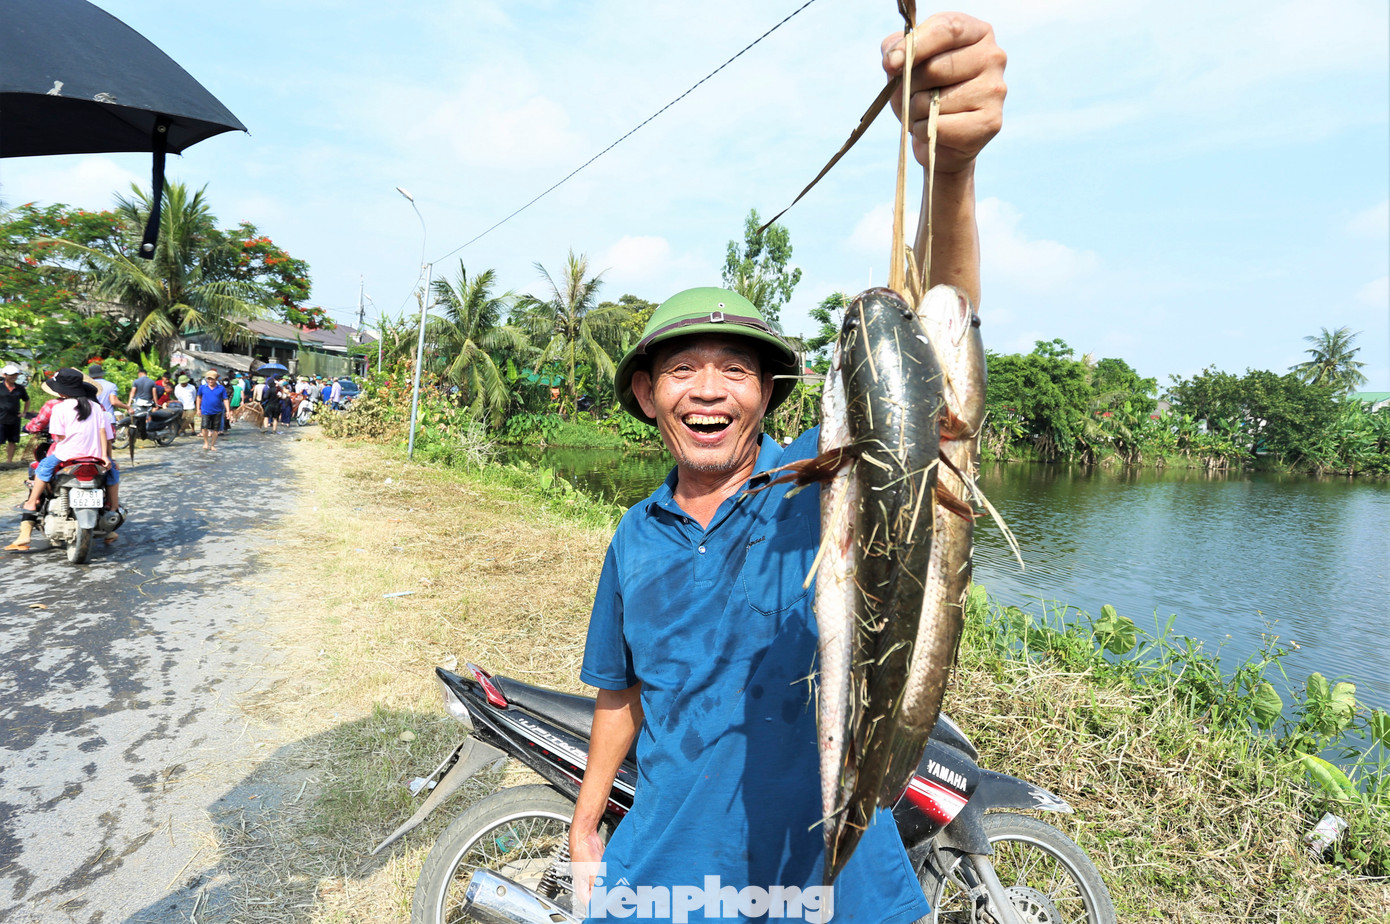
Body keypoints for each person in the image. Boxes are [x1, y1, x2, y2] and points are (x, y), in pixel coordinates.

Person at [568, 15, 1005, 923]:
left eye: (736, 369)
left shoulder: (826, 480)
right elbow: (622, 696)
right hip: (667, 887)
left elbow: (940, 362)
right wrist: (583, 827)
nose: (708, 389)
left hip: (841, 889)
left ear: (769, 396)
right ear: (648, 394)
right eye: (682, 369)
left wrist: (951, 171)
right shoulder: (633, 538)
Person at [19, 368, 120, 515]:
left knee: (43, 468)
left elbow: (58, 436)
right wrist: (104, 456)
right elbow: (102, 432)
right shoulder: (97, 407)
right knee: (113, 473)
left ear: (61, 391)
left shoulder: (59, 408)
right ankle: (114, 505)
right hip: (95, 456)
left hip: (66, 455)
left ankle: (32, 502)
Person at [1, 363, 31, 464]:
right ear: (4, 375)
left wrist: (24, 413)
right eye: (11, 375)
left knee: (12, 441)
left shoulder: (19, 388)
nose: (14, 377)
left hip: (14, 419)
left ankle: (9, 461)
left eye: (16, 375)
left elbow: (27, 400)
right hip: (1, 419)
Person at [197, 370, 231, 451]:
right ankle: (206, 442)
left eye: (212, 379)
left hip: (217, 411)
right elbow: (199, 398)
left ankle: (212, 444)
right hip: (205, 411)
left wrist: (228, 411)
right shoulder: (202, 388)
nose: (210, 381)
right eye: (209, 379)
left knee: (216, 429)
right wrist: (198, 409)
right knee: (204, 427)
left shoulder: (221, 388)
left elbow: (225, 399)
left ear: (216, 379)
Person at [127, 367, 159, 442]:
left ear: (140, 374)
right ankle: (144, 434)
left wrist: (129, 402)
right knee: (145, 418)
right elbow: (154, 394)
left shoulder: (136, 381)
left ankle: (143, 434)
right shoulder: (152, 382)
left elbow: (132, 392)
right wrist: (156, 404)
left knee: (137, 417)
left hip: (137, 403)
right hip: (147, 403)